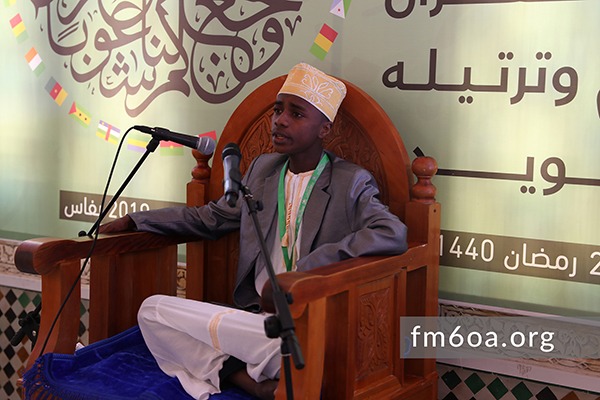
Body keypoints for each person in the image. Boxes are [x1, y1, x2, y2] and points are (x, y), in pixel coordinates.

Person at [99, 63, 408, 400]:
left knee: (292, 344)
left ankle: (250, 367)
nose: (280, 120)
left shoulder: (350, 181)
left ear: (324, 129)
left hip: (306, 323)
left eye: (296, 113)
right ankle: (250, 380)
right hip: (255, 321)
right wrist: (139, 220)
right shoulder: (263, 170)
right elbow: (212, 217)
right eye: (278, 110)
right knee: (153, 311)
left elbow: (391, 232)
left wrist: (307, 269)